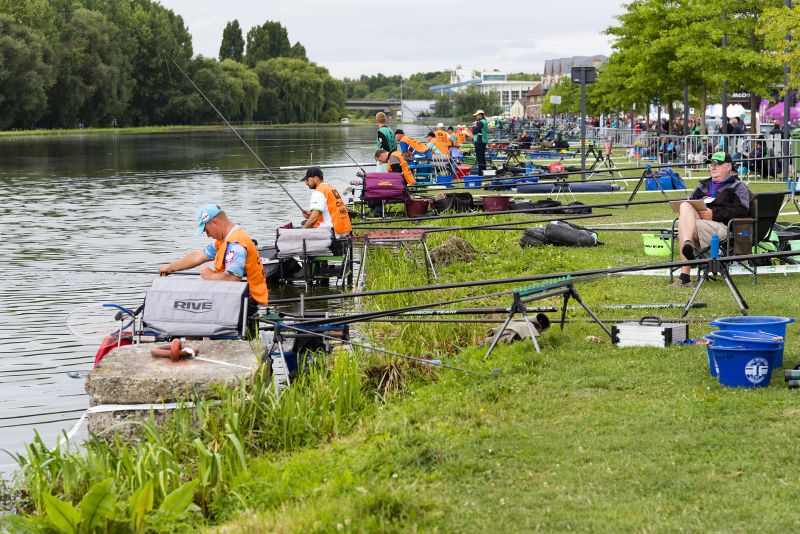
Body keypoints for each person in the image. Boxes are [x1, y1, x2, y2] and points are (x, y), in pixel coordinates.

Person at [158, 204, 268, 305]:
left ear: (214, 222)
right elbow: (198, 256)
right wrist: (169, 267)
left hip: (249, 301)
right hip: (237, 295)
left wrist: (210, 276)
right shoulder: (223, 239)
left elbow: (232, 279)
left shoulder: (235, 244)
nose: (207, 235)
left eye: (206, 230)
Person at [672, 152, 751, 287]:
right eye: (711, 164)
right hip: (699, 224)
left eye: (717, 164)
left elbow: (742, 211)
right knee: (685, 205)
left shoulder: (738, 186)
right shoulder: (702, 186)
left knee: (683, 226)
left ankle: (685, 275)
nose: (712, 167)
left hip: (723, 226)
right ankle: (687, 243)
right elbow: (690, 208)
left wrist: (714, 214)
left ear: (728, 167)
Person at [300, 166, 352, 238]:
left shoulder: (319, 191)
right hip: (343, 229)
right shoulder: (331, 187)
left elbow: (314, 218)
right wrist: (310, 214)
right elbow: (330, 210)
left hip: (332, 231)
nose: (306, 183)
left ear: (315, 178)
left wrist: (301, 232)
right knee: (307, 223)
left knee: (304, 225)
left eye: (307, 180)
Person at [471, 109, 488, 175]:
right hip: (483, 141)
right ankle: (484, 172)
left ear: (480, 115)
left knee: (479, 157)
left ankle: (480, 173)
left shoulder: (480, 122)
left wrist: (473, 127)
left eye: (477, 115)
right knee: (483, 157)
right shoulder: (485, 121)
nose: (476, 117)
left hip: (479, 141)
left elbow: (474, 131)